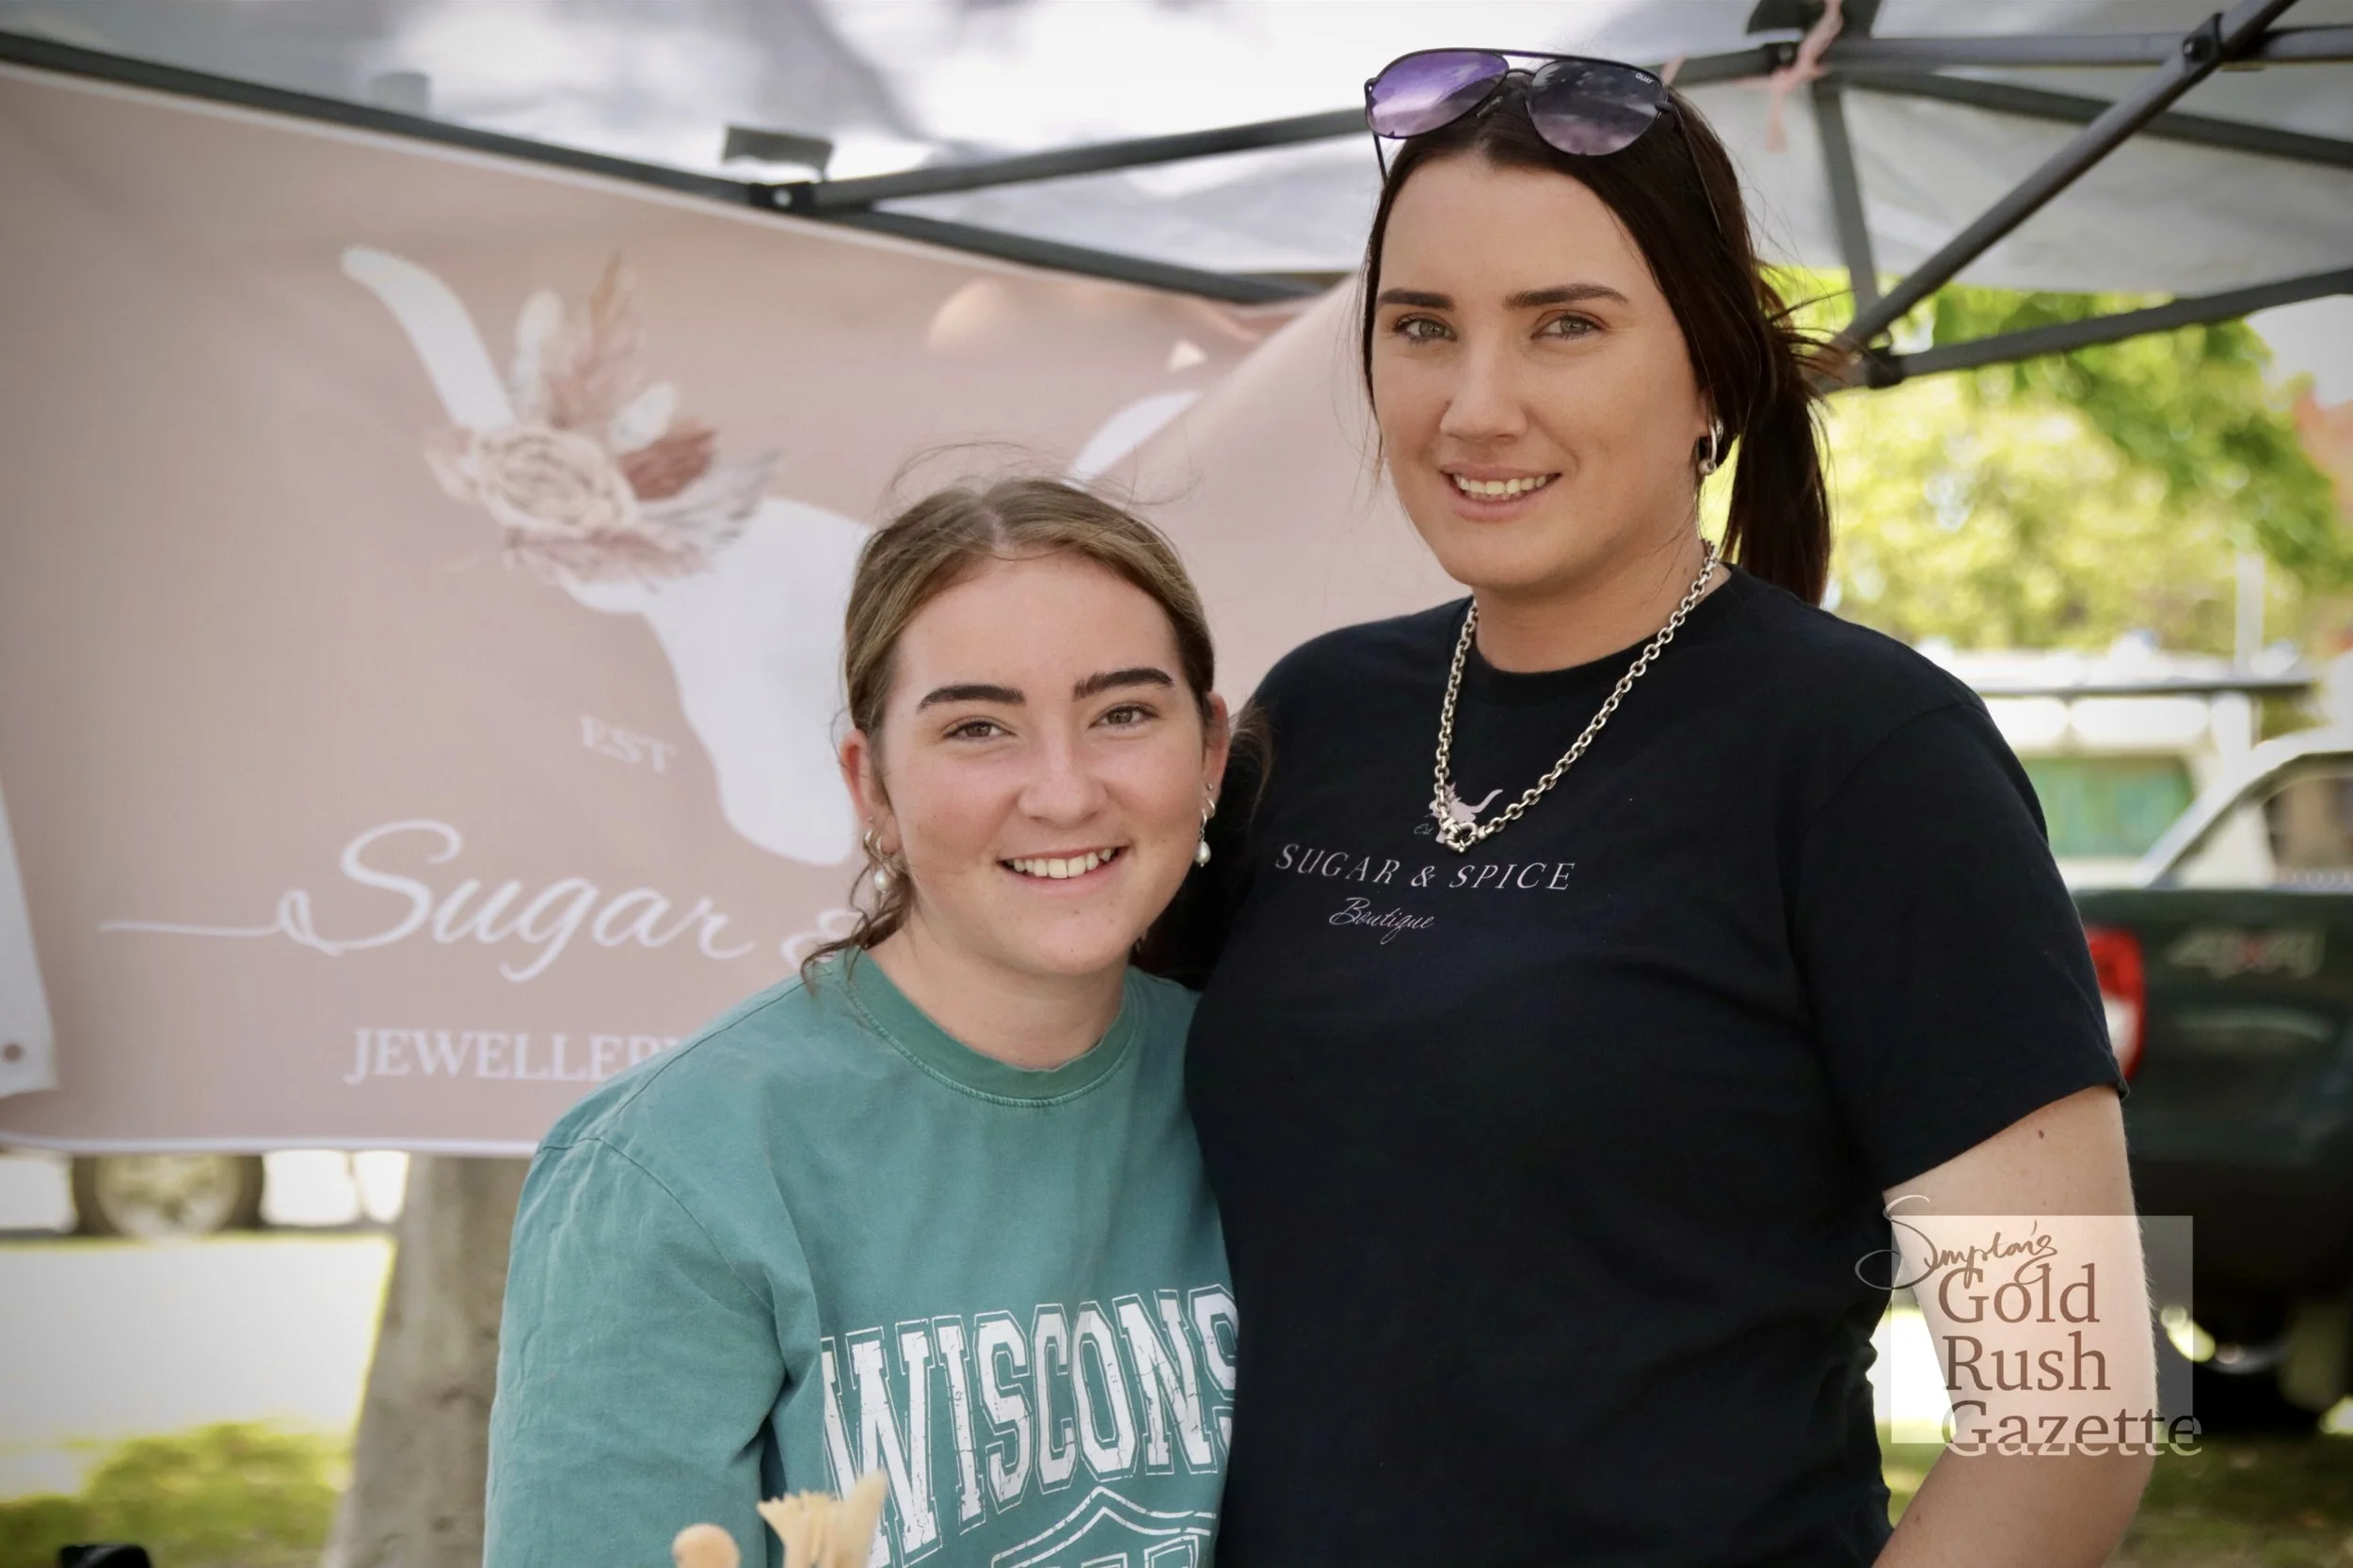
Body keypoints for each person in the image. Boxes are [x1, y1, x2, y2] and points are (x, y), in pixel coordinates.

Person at [1152, 50, 2153, 1568]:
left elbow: (2071, 1413)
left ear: (1707, 370)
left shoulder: (1876, 758)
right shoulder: (1319, 712)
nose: (1475, 405)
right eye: (1422, 326)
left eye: (1566, 326)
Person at [487, 478, 1237, 1568]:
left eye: (1122, 713)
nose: (1064, 793)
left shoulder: (1266, 1090)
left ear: (1208, 752)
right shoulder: (673, 1169)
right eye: (978, 728)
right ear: (871, 784)